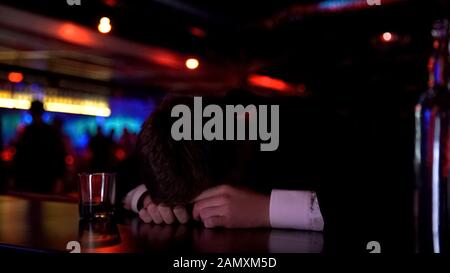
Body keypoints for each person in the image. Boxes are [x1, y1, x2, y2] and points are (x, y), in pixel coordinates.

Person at [122, 92, 413, 253]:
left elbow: (390, 197)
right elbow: (118, 176)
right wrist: (145, 197)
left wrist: (267, 209)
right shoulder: (177, 147)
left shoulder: (308, 126)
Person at [13, 100, 66, 193]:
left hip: (28, 177)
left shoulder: (27, 131)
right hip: (47, 177)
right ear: (43, 113)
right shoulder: (50, 131)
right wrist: (59, 177)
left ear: (31, 112)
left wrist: (15, 177)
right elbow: (59, 155)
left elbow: (20, 156)